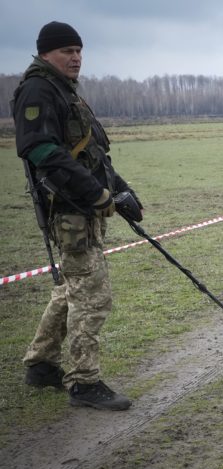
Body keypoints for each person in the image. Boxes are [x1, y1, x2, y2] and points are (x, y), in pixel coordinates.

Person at [12, 21, 143, 411]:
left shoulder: (64, 92)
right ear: (45, 53)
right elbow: (40, 151)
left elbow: (93, 155)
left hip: (84, 206)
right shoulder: (38, 90)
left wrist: (121, 190)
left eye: (79, 50)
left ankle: (41, 363)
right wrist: (97, 193)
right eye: (67, 51)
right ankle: (84, 383)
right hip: (69, 210)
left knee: (71, 288)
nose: (76, 58)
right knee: (92, 295)